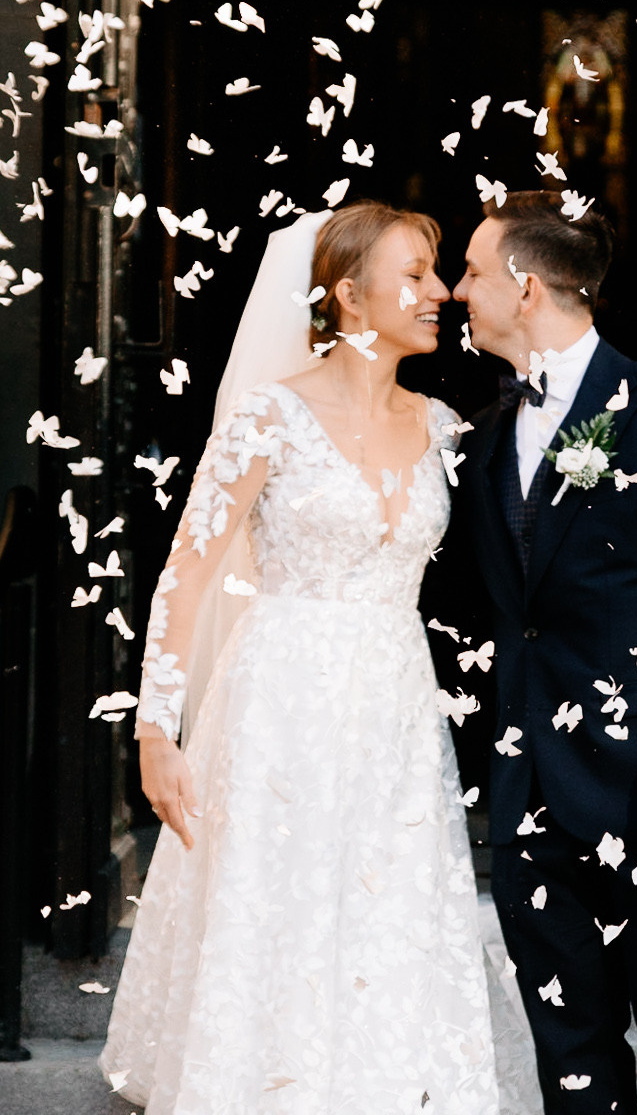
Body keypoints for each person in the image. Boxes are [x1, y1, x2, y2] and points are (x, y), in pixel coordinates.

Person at [103, 203, 503, 1111]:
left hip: (396, 704)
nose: (439, 293)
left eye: (439, 272)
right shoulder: (269, 417)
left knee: (384, 904)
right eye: (415, 275)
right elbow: (185, 577)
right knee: (276, 906)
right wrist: (156, 734)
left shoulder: (442, 425)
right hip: (281, 698)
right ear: (350, 296)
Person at [451, 191, 637, 1112]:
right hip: (530, 791)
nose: (457, 290)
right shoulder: (486, 429)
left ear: (526, 287)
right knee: (571, 1052)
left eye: (471, 271)